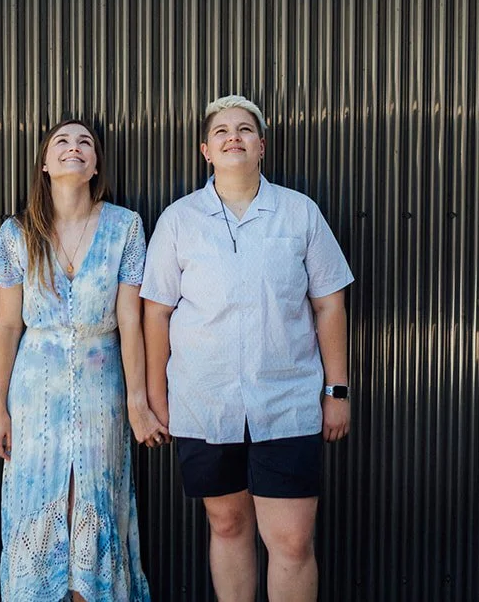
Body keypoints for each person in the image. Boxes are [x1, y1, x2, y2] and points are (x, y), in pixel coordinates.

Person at [141, 95, 352, 602]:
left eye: (244, 129)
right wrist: (156, 396)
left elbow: (329, 305)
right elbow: (156, 313)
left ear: (262, 146)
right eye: (221, 131)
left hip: (287, 404)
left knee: (292, 539)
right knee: (228, 526)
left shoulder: (300, 213)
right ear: (205, 151)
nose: (233, 136)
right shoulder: (179, 220)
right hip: (204, 403)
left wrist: (337, 390)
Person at [0, 118, 167, 602]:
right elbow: (7, 325)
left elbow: (131, 320)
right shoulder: (17, 233)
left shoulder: (125, 227)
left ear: (94, 166)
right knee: (41, 506)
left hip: (100, 392)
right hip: (34, 396)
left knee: (92, 505)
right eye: (61, 142)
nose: (74, 148)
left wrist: (138, 402)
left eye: (85, 142)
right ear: (45, 164)